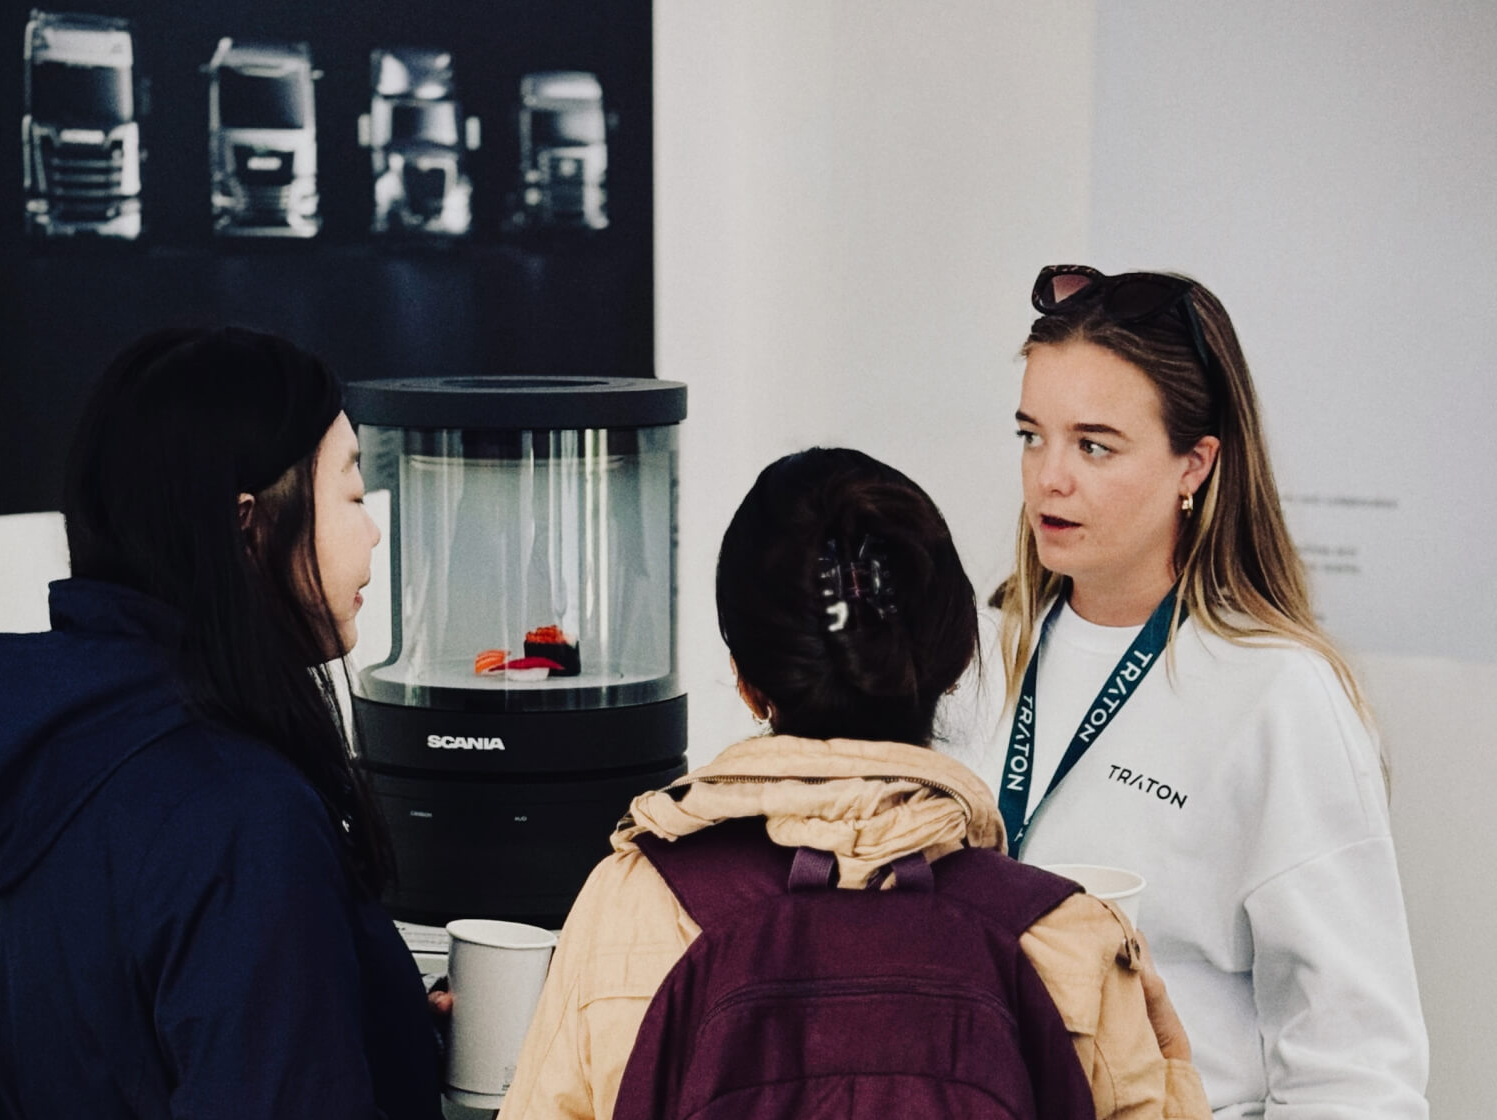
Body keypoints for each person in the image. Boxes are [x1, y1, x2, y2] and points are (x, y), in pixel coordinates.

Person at [500, 447, 1212, 1120]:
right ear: (958, 660)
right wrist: (1175, 1063)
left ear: (747, 682)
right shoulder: (1066, 936)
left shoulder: (631, 907)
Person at [0, 327, 445, 1119]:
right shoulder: (241, 812)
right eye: (353, 494)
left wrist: (368, 1009)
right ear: (248, 524)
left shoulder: (39, 762)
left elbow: (118, 1042)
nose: (373, 530)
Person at [974, 265, 1429, 1117]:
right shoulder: (976, 658)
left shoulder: (1279, 694)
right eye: (1032, 436)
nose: (1050, 479)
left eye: (1095, 445)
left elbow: (1357, 1065)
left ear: (1196, 464)